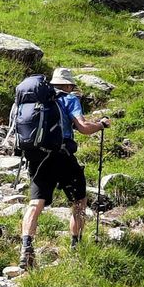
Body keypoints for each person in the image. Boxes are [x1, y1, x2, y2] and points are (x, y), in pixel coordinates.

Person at [18, 69, 108, 269]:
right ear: (67, 85)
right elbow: (83, 127)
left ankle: (26, 247)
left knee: (35, 203)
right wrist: (101, 125)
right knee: (79, 200)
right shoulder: (69, 99)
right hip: (62, 156)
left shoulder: (33, 100)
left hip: (37, 157)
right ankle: (76, 247)